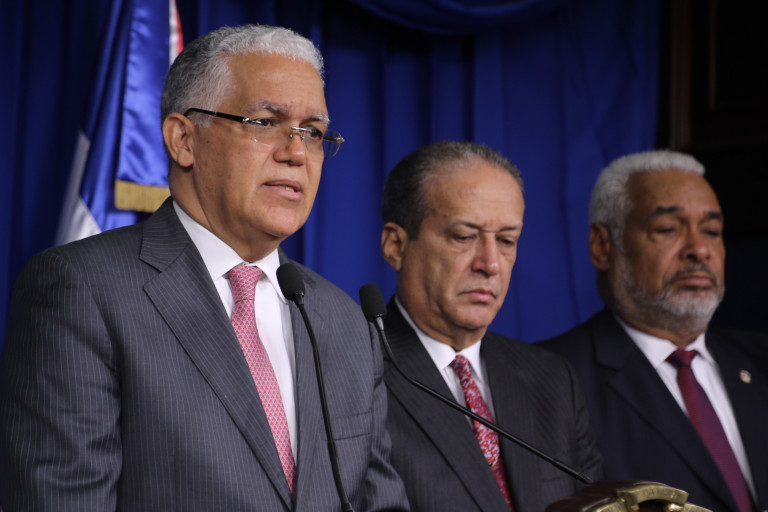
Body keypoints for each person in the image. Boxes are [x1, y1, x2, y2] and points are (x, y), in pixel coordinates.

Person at [0, 25, 408, 512]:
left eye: (313, 133)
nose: (297, 153)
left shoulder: (346, 324)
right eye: (265, 122)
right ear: (184, 140)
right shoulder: (82, 291)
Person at [378, 141, 603, 512]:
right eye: (464, 237)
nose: (490, 264)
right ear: (396, 246)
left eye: (506, 241)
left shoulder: (552, 379)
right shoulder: (354, 375)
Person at [538, 150, 768, 512]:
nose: (699, 250)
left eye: (711, 231)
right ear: (602, 246)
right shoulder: (548, 377)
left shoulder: (760, 358)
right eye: (667, 229)